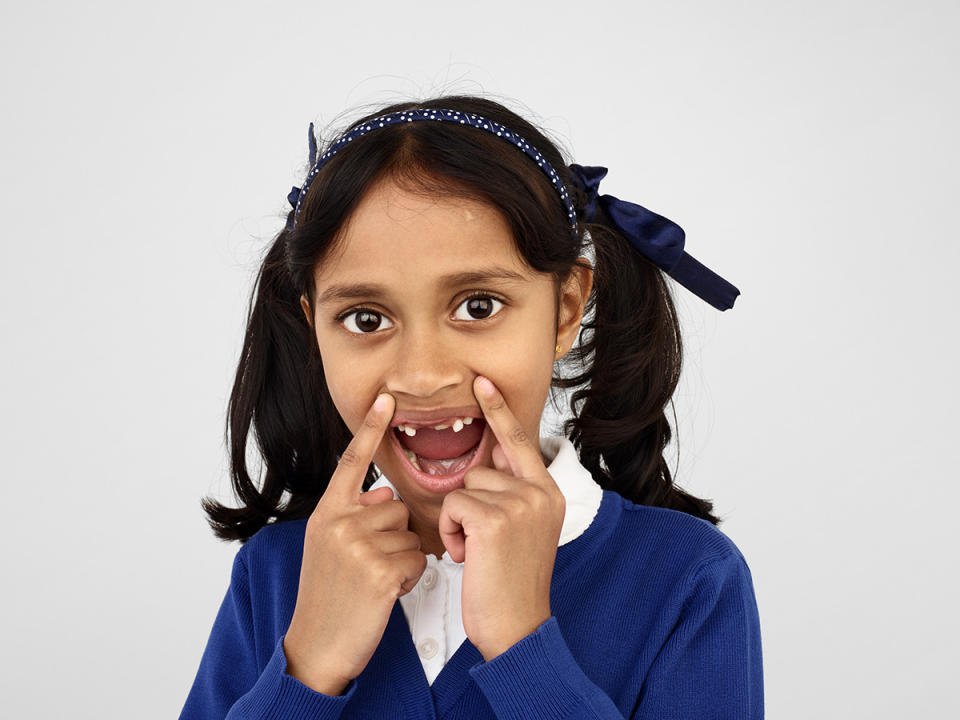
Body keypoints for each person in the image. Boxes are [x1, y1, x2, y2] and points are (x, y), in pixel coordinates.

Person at [178, 96, 763, 719]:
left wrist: (521, 646)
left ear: (566, 310)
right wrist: (307, 669)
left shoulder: (690, 577)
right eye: (365, 318)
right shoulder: (273, 576)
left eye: (478, 306)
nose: (423, 376)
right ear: (313, 326)